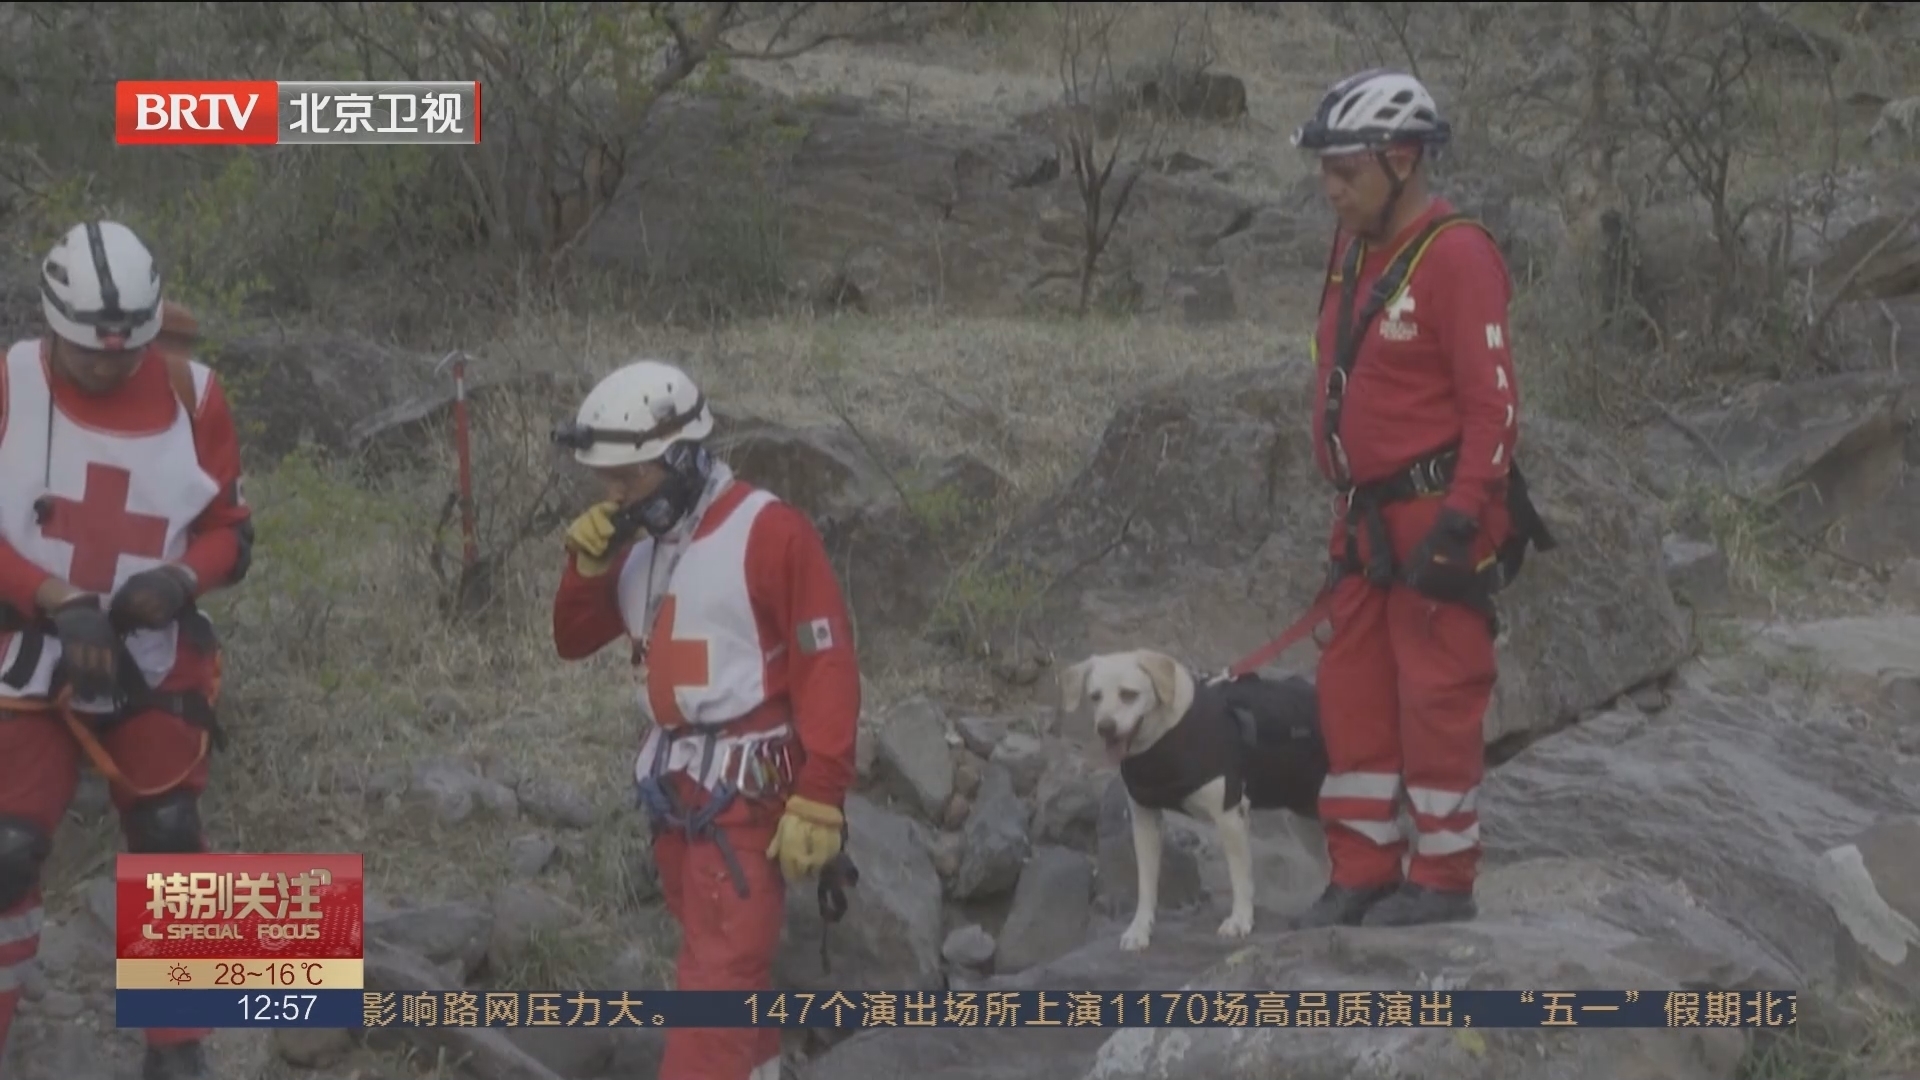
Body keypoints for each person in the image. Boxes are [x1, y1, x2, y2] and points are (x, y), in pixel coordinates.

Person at [1287, 70, 1554, 929]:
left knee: (1438, 694)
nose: (1330, 188)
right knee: (1352, 691)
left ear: (1402, 159)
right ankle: (1361, 867)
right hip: (1365, 519)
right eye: (1324, 170)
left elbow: (1495, 405)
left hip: (1438, 514)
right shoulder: (1353, 247)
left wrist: (1465, 519)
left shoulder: (1460, 256)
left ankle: (1442, 878)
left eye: (1347, 171)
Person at [549, 359, 860, 1080]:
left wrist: (822, 791)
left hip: (746, 798)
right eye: (607, 482)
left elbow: (827, 663)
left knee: (716, 983)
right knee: (717, 966)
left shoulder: (769, 531)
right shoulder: (648, 550)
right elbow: (572, 639)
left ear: (683, 457)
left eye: (630, 479)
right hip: (677, 796)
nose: (617, 496)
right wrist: (586, 570)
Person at [0, 222, 253, 1079]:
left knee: (172, 836)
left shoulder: (194, 393)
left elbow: (230, 533)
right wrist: (56, 598)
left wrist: (181, 581)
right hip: (26, 646)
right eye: (86, 352)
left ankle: (180, 1050)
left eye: (123, 352)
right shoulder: (11, 381)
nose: (106, 368)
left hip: (151, 654)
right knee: (6, 850)